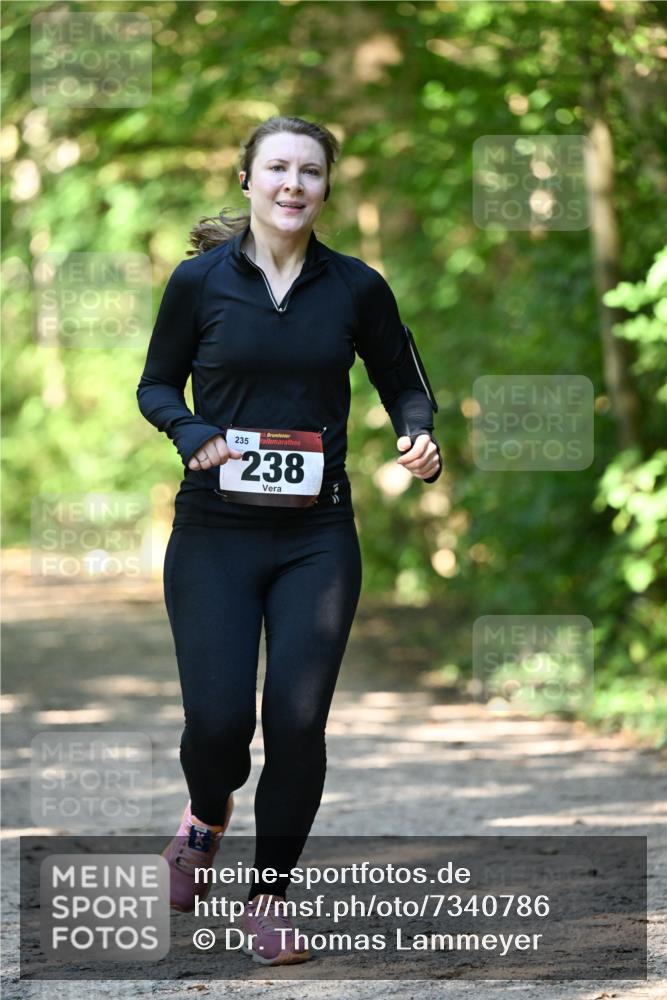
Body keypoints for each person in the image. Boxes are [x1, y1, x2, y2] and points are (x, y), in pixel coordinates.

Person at [136, 115, 442, 966]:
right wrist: (189, 430)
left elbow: (403, 382)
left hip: (317, 536)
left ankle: (269, 898)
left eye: (310, 171)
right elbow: (156, 384)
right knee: (218, 723)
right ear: (248, 180)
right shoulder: (198, 283)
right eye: (277, 168)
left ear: (324, 189)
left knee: (298, 724)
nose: (292, 184)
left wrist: (417, 434)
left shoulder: (355, 287)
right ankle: (204, 817)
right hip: (214, 535)